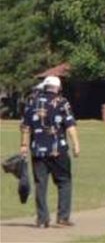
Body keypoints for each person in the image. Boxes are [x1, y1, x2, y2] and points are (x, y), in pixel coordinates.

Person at [19, 75, 80, 228]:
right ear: (58, 88)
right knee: (64, 182)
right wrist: (76, 144)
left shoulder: (31, 102)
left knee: (40, 184)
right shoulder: (62, 102)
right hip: (57, 149)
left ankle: (42, 219)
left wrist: (24, 146)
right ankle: (63, 217)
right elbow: (70, 125)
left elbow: (25, 127)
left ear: (45, 87)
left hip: (38, 150)